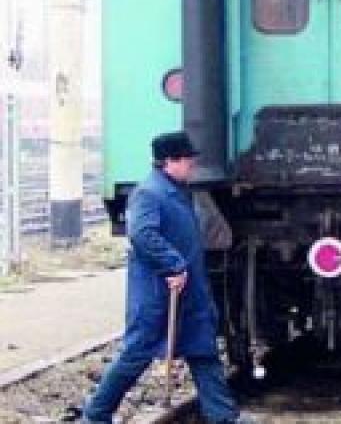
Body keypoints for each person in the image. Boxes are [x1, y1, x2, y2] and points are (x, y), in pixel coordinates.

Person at [82, 132, 248, 424]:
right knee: (135, 354)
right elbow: (142, 235)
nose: (192, 166)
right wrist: (173, 264)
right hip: (159, 292)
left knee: (203, 351)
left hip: (189, 289)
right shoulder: (149, 193)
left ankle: (223, 416)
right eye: (188, 160)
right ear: (169, 161)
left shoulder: (177, 190)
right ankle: (96, 415)